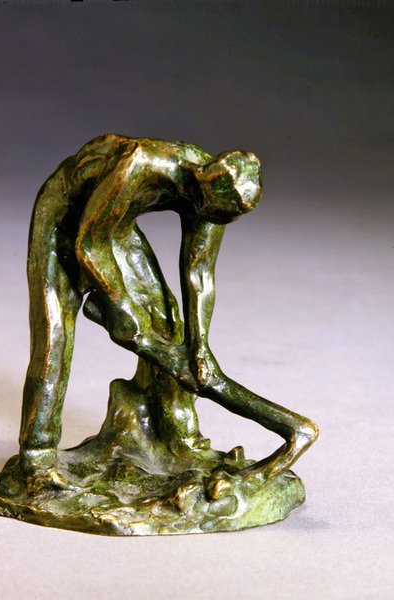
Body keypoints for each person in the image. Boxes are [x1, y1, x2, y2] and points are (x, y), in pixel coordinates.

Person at [19, 133, 318, 490]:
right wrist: (122, 307)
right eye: (208, 212)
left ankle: (172, 439)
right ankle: (37, 459)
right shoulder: (141, 163)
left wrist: (200, 347)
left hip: (111, 230)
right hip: (65, 217)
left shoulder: (218, 202)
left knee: (167, 325)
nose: (209, 222)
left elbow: (199, 275)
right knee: (54, 337)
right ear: (201, 184)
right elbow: (89, 244)